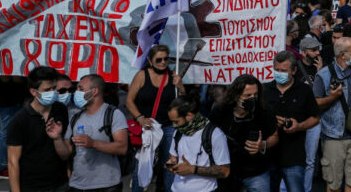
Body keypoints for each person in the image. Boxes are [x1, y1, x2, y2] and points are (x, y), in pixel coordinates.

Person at [313, 37, 351, 192]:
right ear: (342, 55)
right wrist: (333, 97)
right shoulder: (324, 75)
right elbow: (315, 104)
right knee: (334, 185)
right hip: (334, 137)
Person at [125, 44, 183, 192]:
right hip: (147, 126)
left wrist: (181, 87)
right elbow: (129, 101)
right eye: (159, 60)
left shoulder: (173, 75)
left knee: (169, 164)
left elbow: (182, 103)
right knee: (142, 163)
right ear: (150, 61)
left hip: (168, 126)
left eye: (166, 59)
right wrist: (140, 118)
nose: (163, 62)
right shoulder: (141, 75)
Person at [6, 66, 73, 192]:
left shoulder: (61, 110)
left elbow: (66, 155)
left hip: (60, 185)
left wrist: (57, 138)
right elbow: (13, 162)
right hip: (32, 187)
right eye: (47, 89)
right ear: (33, 92)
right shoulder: (20, 120)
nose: (53, 92)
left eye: (54, 88)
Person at [209, 73, 279, 191]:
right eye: (247, 95)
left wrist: (263, 145)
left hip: (256, 172)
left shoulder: (264, 110)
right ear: (236, 96)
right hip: (228, 172)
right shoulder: (220, 110)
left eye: (255, 94)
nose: (252, 98)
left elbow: (275, 136)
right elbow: (209, 136)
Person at [264, 51, 321, 192]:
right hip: (268, 156)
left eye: (283, 71)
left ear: (294, 70)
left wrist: (299, 126)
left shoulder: (304, 90)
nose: (279, 73)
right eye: (276, 70)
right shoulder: (265, 90)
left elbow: (315, 118)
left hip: (294, 157)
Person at [65, 73, 129, 192]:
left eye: (81, 89)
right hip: (78, 185)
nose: (76, 92)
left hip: (107, 186)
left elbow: (122, 148)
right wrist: (56, 138)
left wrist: (93, 144)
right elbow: (66, 152)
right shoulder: (75, 118)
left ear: (94, 92)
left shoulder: (113, 114)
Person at [166, 96, 231, 191]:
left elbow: (225, 171)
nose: (174, 125)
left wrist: (192, 169)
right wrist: (172, 164)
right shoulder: (178, 132)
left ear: (189, 116)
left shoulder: (215, 134)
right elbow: (173, 157)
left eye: (176, 121)